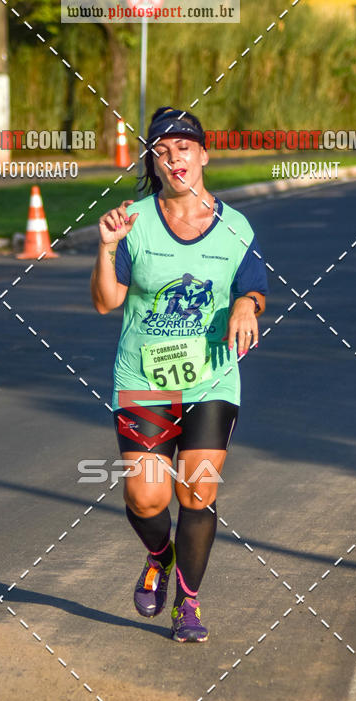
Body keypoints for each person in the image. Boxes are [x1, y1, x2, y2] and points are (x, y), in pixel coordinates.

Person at [90, 106, 268, 643]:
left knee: (196, 493)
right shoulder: (135, 221)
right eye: (161, 152)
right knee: (147, 499)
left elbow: (254, 285)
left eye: (184, 148)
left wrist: (247, 306)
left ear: (203, 154)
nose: (174, 159)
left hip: (212, 377)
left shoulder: (235, 226)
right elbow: (105, 303)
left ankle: (187, 605)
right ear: (154, 163)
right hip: (144, 376)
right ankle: (158, 556)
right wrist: (106, 247)